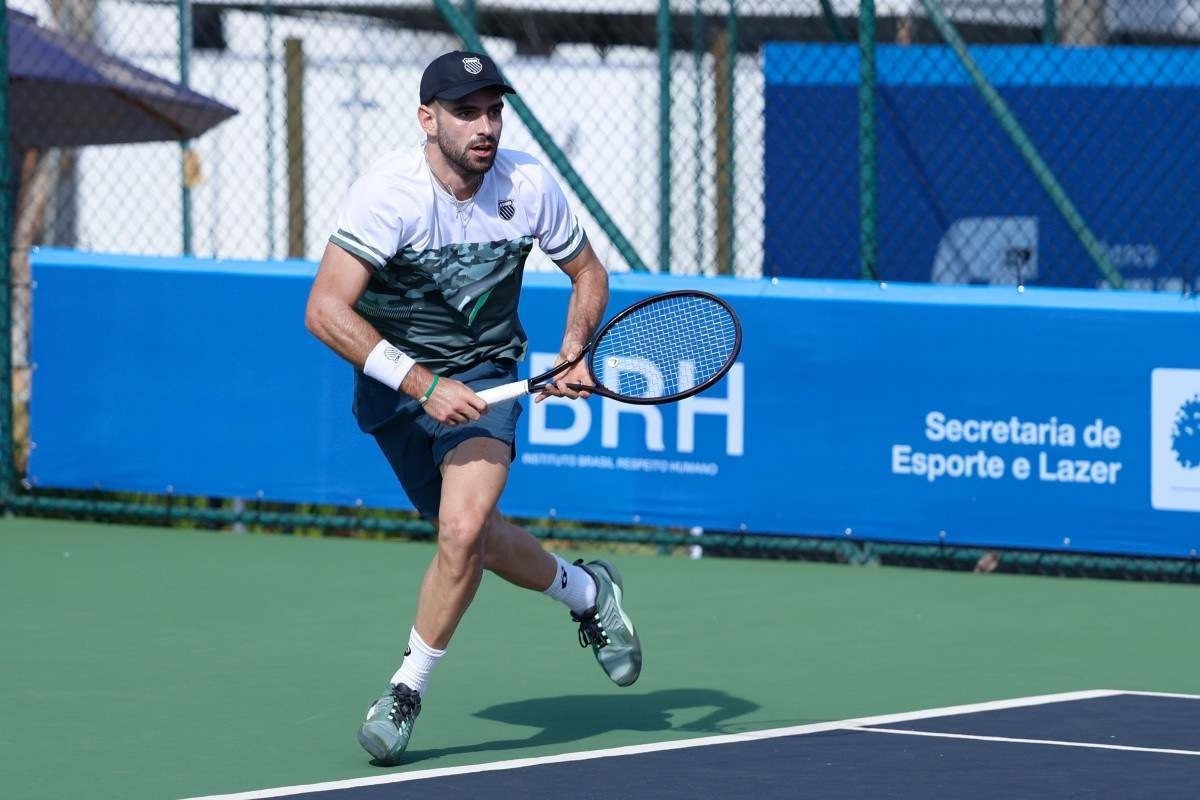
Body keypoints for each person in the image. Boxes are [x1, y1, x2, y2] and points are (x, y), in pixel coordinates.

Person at [304, 50, 642, 766]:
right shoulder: (387, 194)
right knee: (476, 542)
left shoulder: (529, 185)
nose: (485, 125)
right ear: (428, 121)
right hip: (396, 389)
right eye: (466, 111)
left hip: (489, 376)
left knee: (460, 532)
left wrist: (573, 348)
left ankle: (405, 690)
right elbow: (325, 309)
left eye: (493, 109)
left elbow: (588, 271)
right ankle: (587, 591)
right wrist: (422, 384)